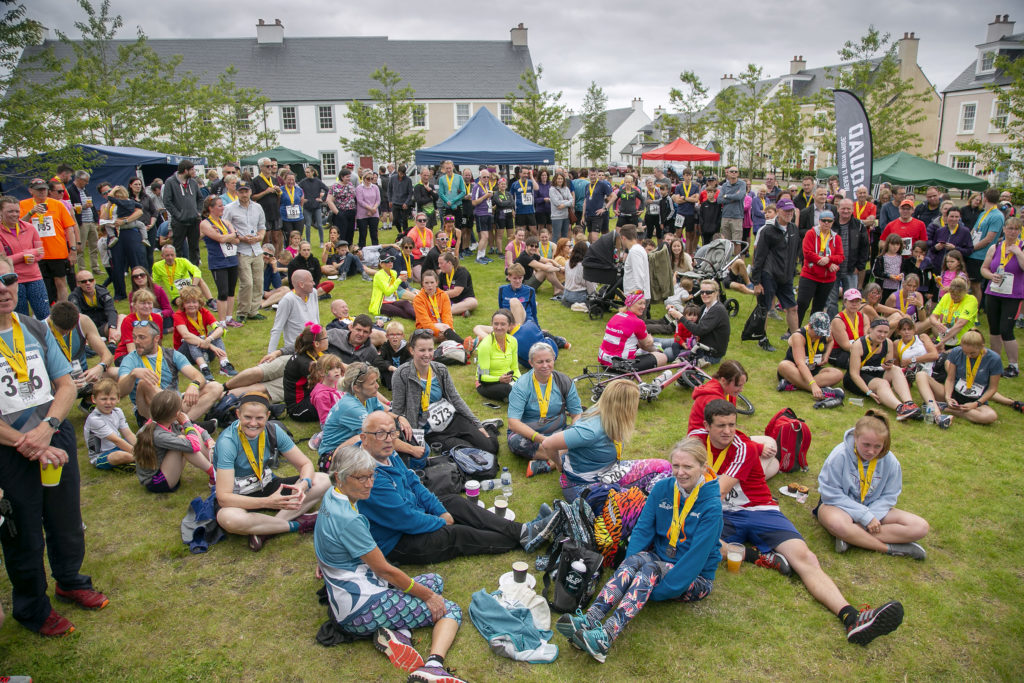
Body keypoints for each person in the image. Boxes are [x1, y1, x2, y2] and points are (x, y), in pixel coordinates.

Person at [691, 400, 906, 646]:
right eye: (721, 426)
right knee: (696, 539)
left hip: (760, 510)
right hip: (724, 514)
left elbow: (714, 491)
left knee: (806, 558)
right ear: (706, 425)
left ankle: (851, 617)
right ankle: (757, 556)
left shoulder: (745, 448)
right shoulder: (695, 440)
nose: (728, 431)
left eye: (732, 424)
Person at [0, 254, 108, 636]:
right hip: (11, 448)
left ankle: (70, 580)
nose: (3, 288)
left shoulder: (32, 326)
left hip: (52, 433)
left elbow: (64, 383)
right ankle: (32, 608)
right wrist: (27, 441)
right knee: (23, 531)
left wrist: (47, 429)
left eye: (8, 277)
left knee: (65, 519)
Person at [556, 437, 723, 663]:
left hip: (696, 576)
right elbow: (643, 529)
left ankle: (605, 637)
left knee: (649, 570)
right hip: (662, 558)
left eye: (688, 467)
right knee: (635, 561)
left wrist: (660, 590)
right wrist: (630, 565)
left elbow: (695, 559)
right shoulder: (664, 489)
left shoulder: (712, 506)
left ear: (703, 468)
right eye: (676, 466)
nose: (680, 472)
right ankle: (590, 618)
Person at [314, 445, 469, 683]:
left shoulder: (332, 496)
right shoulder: (349, 519)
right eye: (361, 478)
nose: (369, 483)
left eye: (371, 475)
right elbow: (385, 570)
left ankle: (398, 634)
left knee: (435, 580)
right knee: (450, 609)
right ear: (339, 477)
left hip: (352, 592)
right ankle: (433, 666)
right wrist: (428, 597)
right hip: (359, 607)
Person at [355, 410, 553, 564]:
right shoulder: (368, 475)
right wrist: (440, 520)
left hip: (412, 513)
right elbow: (405, 519)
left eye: (392, 432)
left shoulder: (387, 452)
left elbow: (414, 482)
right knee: (457, 534)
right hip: (397, 541)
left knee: (454, 502)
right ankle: (525, 538)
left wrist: (441, 511)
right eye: (380, 433)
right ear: (364, 438)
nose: (389, 439)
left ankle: (523, 531)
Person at [214, 391, 329, 552]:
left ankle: (265, 530)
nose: (253, 423)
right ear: (238, 414)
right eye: (247, 417)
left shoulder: (273, 430)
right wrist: (267, 502)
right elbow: (223, 498)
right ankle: (298, 524)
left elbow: (305, 464)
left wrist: (303, 484)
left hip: (267, 485)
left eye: (259, 418)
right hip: (238, 496)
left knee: (322, 479)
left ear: (267, 415)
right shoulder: (228, 442)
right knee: (228, 519)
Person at [816, 411, 929, 558]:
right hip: (841, 508)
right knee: (837, 524)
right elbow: (831, 493)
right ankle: (888, 548)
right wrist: (864, 516)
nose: (871, 451)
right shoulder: (840, 455)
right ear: (856, 437)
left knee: (920, 527)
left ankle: (851, 537)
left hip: (875, 510)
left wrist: (871, 516)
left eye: (877, 446)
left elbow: (890, 496)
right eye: (866, 445)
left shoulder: (891, 461)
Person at [537, 379, 671, 500]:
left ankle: (651, 499)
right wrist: (559, 464)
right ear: (624, 407)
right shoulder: (591, 430)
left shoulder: (611, 416)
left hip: (611, 472)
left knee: (665, 467)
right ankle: (648, 502)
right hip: (584, 486)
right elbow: (548, 444)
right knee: (635, 508)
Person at [391, 330, 501, 454]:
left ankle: (488, 426)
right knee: (471, 452)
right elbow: (397, 411)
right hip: (431, 432)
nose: (427, 355)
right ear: (412, 350)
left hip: (453, 420)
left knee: (491, 448)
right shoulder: (401, 374)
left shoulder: (440, 369)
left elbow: (455, 399)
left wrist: (477, 424)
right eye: (422, 350)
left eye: (430, 350)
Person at [117, 319, 223, 423]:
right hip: (150, 410)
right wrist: (132, 374)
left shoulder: (171, 354)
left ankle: (182, 425)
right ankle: (185, 425)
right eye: (134, 337)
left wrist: (194, 385)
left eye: (142, 337)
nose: (136, 342)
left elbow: (198, 376)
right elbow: (120, 391)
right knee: (144, 383)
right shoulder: (130, 359)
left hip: (175, 403)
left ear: (156, 338)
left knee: (215, 387)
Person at [507, 341, 583, 474]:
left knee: (587, 427)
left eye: (548, 360)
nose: (545, 365)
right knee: (516, 442)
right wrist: (543, 439)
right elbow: (513, 423)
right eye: (539, 362)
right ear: (531, 363)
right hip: (532, 436)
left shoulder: (564, 381)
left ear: (554, 359)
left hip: (560, 433)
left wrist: (574, 433)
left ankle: (550, 462)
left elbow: (577, 413)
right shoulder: (521, 385)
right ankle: (563, 456)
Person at [915, 329, 1007, 426]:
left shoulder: (994, 359)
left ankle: (945, 408)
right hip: (953, 395)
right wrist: (948, 397)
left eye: (972, 353)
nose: (968, 355)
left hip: (975, 401)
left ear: (982, 347)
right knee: (921, 375)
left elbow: (992, 388)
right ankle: (938, 409)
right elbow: (950, 379)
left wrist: (975, 404)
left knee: (990, 416)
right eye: (965, 352)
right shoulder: (957, 352)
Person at [132, 389, 215, 492]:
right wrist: (186, 423)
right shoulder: (158, 435)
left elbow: (196, 428)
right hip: (156, 482)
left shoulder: (166, 421)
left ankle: (218, 464)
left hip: (167, 469)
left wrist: (208, 439)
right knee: (184, 441)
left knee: (189, 433)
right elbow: (194, 446)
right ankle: (214, 474)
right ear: (176, 413)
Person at [844, 318, 921, 420]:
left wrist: (888, 365)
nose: (882, 335)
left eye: (885, 332)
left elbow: (887, 364)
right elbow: (854, 374)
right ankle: (900, 408)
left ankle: (909, 403)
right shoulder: (858, 345)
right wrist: (868, 392)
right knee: (882, 383)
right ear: (870, 330)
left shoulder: (888, 343)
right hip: (856, 379)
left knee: (895, 369)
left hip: (875, 372)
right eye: (879, 331)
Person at [20, 178, 78, 303]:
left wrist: (73, 249)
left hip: (57, 251)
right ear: (31, 191)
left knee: (60, 281)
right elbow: (18, 226)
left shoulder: (57, 204)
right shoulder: (23, 205)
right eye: (38, 190)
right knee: (40, 284)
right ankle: (45, 310)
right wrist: (31, 212)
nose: (42, 192)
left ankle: (63, 309)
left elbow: (69, 228)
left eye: (44, 189)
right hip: (35, 252)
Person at [980, 217, 1023, 376]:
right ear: (1004, 229)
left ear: (1019, 231)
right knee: (994, 328)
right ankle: (995, 362)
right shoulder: (995, 247)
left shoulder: (1022, 247)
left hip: (1013, 295)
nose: (1012, 232)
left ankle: (1013, 365)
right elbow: (984, 269)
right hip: (994, 292)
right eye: (1009, 228)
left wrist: (1018, 253)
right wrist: (991, 276)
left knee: (1007, 330)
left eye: (1016, 229)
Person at [752, 198, 800, 341]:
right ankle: (762, 338)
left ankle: (796, 338)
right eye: (785, 210)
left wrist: (792, 271)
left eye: (791, 211)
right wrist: (756, 281)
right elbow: (759, 256)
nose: (788, 213)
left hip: (786, 276)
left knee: (792, 307)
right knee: (765, 308)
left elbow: (795, 252)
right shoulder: (768, 231)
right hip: (769, 275)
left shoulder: (793, 229)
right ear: (778, 211)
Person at [777, 312, 846, 407]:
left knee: (838, 374)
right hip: (796, 370)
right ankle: (821, 391)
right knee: (783, 365)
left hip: (814, 369)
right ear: (809, 326)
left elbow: (831, 341)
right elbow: (800, 363)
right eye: (817, 333)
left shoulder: (825, 334)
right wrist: (813, 385)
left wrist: (826, 355)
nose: (819, 336)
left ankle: (794, 385)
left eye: (822, 334)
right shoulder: (799, 336)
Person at [222, 179, 267, 324]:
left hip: (256, 248)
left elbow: (262, 226)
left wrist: (259, 236)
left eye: (246, 191)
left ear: (250, 192)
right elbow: (225, 227)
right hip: (241, 249)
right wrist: (240, 238)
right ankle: (242, 311)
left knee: (259, 281)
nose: (244, 194)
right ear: (236, 192)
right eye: (241, 191)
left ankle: (254, 310)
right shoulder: (229, 208)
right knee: (246, 282)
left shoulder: (258, 207)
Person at [172, 286, 237, 380]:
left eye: (194, 302)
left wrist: (209, 339)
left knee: (215, 334)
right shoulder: (178, 315)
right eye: (188, 302)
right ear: (183, 304)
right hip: (185, 354)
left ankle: (224, 364)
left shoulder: (204, 312)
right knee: (191, 338)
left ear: (199, 303)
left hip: (204, 347)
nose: (191, 305)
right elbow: (186, 335)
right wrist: (211, 346)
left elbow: (220, 329)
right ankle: (204, 368)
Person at [0, 195, 48, 320]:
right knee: (20, 317)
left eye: (17, 211)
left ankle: (48, 339)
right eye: (10, 211)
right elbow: (4, 261)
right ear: (1, 212)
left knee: (44, 315)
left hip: (35, 277)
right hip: (13, 280)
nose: (14, 214)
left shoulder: (30, 228)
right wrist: (27, 254)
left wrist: (34, 257)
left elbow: (41, 252)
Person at [199, 196, 242, 327]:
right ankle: (222, 321)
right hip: (218, 261)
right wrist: (229, 236)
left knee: (230, 290)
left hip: (231, 259)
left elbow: (237, 239)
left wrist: (227, 237)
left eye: (222, 205)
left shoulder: (225, 222)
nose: (222, 208)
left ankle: (229, 318)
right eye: (219, 206)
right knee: (222, 291)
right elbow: (220, 239)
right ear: (210, 208)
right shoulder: (205, 223)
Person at [597, 291, 668, 369]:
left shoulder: (616, 316)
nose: (643, 307)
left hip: (604, 361)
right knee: (663, 357)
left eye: (644, 303)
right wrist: (653, 345)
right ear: (630, 304)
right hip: (620, 365)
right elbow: (646, 345)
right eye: (640, 303)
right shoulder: (637, 322)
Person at [797, 210, 844, 325]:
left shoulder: (836, 238)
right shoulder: (811, 234)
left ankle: (813, 331)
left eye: (829, 221)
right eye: (824, 221)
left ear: (833, 222)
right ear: (819, 221)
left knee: (818, 307)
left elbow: (841, 256)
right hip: (810, 275)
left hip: (827, 279)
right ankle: (793, 329)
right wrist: (827, 263)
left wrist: (829, 259)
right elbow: (808, 253)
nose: (826, 223)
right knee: (802, 303)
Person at [83, 377, 135, 470]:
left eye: (112, 399)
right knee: (121, 456)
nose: (108, 402)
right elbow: (116, 440)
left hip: (118, 446)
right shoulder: (94, 419)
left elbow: (128, 434)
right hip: (102, 455)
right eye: (103, 399)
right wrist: (139, 453)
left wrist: (141, 448)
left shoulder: (118, 411)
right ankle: (138, 460)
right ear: (94, 399)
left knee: (144, 440)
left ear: (118, 398)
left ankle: (134, 460)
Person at [413, 270, 473, 351]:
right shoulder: (418, 299)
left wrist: (447, 329)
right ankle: (463, 344)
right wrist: (438, 332)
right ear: (422, 284)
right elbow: (425, 322)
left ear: (437, 283)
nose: (429, 285)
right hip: (426, 329)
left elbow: (447, 315)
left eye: (432, 282)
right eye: (426, 283)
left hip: (443, 328)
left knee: (449, 329)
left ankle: (461, 345)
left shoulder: (443, 295)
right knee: (449, 333)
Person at [676, 279, 731, 364]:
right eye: (702, 292)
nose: (704, 294)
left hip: (709, 355)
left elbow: (698, 330)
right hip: (697, 346)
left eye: (708, 292)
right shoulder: (705, 307)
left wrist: (680, 316)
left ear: (716, 293)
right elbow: (693, 320)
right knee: (669, 343)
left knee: (672, 351)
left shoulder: (718, 310)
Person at [687, 360, 748, 434]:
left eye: (742, 385)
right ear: (723, 380)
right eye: (738, 385)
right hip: (702, 439)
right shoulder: (712, 399)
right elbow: (722, 433)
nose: (741, 390)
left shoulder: (729, 392)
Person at [266, 269, 320, 353]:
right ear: (301, 284)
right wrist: (270, 354)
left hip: (315, 345)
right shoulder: (287, 300)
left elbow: (316, 317)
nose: (314, 283)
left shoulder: (314, 293)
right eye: (311, 281)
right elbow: (277, 328)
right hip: (297, 348)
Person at [284, 323, 329, 422]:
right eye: (326, 337)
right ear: (316, 344)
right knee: (334, 398)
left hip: (309, 397)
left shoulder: (313, 353)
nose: (328, 340)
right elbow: (328, 383)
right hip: (298, 409)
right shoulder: (307, 364)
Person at [161, 160, 203, 265]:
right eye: (192, 169)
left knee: (194, 247)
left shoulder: (193, 182)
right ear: (185, 170)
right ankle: (178, 270)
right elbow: (167, 201)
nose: (194, 172)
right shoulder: (170, 182)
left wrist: (198, 212)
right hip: (179, 222)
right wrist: (178, 215)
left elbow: (200, 198)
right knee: (178, 248)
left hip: (194, 220)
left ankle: (194, 270)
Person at [474, 309, 520, 402]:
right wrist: (499, 379)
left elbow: (515, 368)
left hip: (508, 381)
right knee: (507, 389)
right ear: (492, 324)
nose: (499, 327)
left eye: (503, 324)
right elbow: (482, 377)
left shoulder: (513, 341)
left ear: (509, 326)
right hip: (486, 384)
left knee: (528, 383)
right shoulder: (485, 345)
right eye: (496, 324)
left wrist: (519, 381)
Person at [968, 188, 1005, 301]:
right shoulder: (984, 213)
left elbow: (989, 239)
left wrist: (972, 248)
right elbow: (974, 230)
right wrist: (967, 244)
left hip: (981, 255)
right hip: (972, 253)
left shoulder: (997, 216)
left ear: (985, 198)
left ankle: (975, 311)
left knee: (976, 285)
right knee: (970, 282)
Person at [112, 288, 164, 366]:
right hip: (127, 354)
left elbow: (158, 342)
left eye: (149, 303)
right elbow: (131, 350)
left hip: (148, 351)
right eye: (143, 303)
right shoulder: (128, 321)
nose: (146, 306)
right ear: (134, 305)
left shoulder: (157, 318)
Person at [68, 269, 122, 344]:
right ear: (78, 284)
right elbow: (78, 317)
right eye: (84, 281)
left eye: (91, 280)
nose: (88, 283)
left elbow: (111, 311)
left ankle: (112, 342)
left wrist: (112, 327)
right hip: (87, 329)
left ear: (94, 281)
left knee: (122, 317)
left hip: (104, 327)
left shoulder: (103, 292)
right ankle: (92, 341)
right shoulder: (74, 297)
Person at [925, 277, 978, 349]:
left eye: (958, 295)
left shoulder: (971, 300)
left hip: (962, 342)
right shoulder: (946, 297)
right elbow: (933, 316)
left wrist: (943, 341)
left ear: (965, 292)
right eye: (952, 294)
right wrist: (937, 324)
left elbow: (960, 324)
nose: (954, 297)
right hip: (943, 339)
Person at [67, 171, 100, 273]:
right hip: (81, 222)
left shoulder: (85, 190)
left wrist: (96, 218)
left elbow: (91, 205)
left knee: (94, 246)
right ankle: (82, 269)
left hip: (91, 221)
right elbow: (69, 207)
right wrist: (83, 206)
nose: (87, 183)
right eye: (85, 181)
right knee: (80, 248)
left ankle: (95, 268)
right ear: (79, 179)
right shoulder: (70, 191)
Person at [829, 289, 869, 370]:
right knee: (861, 364)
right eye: (851, 301)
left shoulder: (864, 317)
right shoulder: (838, 320)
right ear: (845, 302)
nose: (854, 304)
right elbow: (845, 346)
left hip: (859, 349)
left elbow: (867, 338)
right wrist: (865, 352)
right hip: (840, 352)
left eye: (857, 301)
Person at [370, 254, 415, 319]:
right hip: (381, 304)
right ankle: (420, 320)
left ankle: (422, 318)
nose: (390, 262)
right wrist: (399, 280)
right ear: (381, 264)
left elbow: (394, 289)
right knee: (400, 311)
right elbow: (387, 292)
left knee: (406, 303)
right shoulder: (378, 275)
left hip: (392, 300)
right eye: (387, 261)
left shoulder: (393, 272)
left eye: (391, 260)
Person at [438, 252, 477, 317]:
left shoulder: (462, 272)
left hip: (464, 300)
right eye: (439, 263)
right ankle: (460, 311)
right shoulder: (442, 275)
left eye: (441, 263)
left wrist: (440, 294)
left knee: (473, 302)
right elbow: (436, 291)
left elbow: (456, 292)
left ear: (449, 263)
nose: (439, 266)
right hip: (448, 301)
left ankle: (445, 312)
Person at [717, 166, 746, 253]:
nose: (734, 173)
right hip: (725, 216)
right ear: (728, 173)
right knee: (726, 242)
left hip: (737, 217)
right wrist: (733, 197)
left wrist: (726, 196)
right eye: (732, 171)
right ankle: (727, 263)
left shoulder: (742, 184)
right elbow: (719, 200)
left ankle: (736, 263)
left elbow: (740, 196)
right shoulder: (725, 185)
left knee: (737, 242)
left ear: (738, 174)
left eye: (736, 172)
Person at [583, 168, 615, 242]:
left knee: (594, 237)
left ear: (597, 175)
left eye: (594, 175)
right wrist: (583, 215)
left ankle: (597, 252)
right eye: (591, 175)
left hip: (597, 215)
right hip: (588, 214)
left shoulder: (602, 184)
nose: (593, 176)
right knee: (590, 237)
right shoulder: (587, 186)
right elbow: (585, 201)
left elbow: (614, 196)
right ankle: (592, 252)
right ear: (588, 175)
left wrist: (605, 208)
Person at [328, 168, 358, 244]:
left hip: (351, 212)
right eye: (347, 177)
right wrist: (338, 213)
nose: (349, 178)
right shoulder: (335, 186)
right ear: (342, 177)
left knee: (350, 234)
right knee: (341, 234)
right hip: (341, 212)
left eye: (349, 176)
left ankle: (348, 250)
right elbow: (329, 200)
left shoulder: (350, 185)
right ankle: (339, 250)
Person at [378, 320, 411, 391]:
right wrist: (390, 367)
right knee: (385, 362)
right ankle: (394, 385)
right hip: (391, 373)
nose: (395, 337)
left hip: (404, 372)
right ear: (387, 336)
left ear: (403, 336)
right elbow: (377, 360)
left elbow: (412, 360)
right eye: (392, 334)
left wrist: (403, 369)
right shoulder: (385, 347)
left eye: (398, 334)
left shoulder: (407, 347)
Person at [437, 160, 467, 229]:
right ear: (444, 168)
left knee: (458, 226)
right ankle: (449, 239)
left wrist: (453, 201)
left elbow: (463, 192)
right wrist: (447, 201)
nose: (448, 170)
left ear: (453, 167)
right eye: (446, 168)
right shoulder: (442, 179)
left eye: (450, 168)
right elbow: (441, 193)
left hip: (457, 206)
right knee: (448, 226)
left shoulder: (459, 177)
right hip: (447, 207)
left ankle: (458, 240)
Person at [355, 169, 381, 248]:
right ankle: (361, 251)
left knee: (374, 234)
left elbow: (378, 200)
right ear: (364, 178)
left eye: (371, 178)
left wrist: (374, 209)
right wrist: (370, 209)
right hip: (362, 214)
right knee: (363, 234)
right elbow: (360, 201)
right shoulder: (359, 188)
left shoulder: (375, 187)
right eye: (368, 178)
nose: (370, 180)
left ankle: (376, 251)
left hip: (374, 213)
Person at [278, 170, 305, 237]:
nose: (291, 182)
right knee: (289, 237)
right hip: (286, 218)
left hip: (298, 218)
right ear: (284, 180)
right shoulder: (280, 190)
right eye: (289, 180)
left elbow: (301, 202)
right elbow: (278, 202)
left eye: (293, 180)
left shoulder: (299, 190)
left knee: (298, 237)